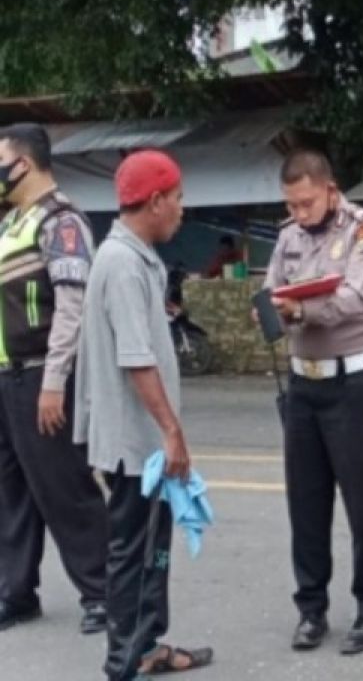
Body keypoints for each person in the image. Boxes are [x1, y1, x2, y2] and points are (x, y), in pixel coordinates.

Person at [74, 150, 213, 680]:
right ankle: (122, 663)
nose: (181, 209)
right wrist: (172, 432)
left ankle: (148, 645)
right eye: (177, 199)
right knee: (132, 552)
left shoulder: (135, 257)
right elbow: (137, 360)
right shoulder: (123, 264)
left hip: (143, 442)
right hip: (135, 443)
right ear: (154, 201)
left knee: (152, 546)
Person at [263, 150, 363, 655]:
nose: (299, 214)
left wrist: (298, 308)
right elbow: (271, 287)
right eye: (292, 205)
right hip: (303, 386)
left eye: (306, 203)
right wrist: (271, 310)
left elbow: (356, 299)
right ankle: (311, 610)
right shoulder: (287, 237)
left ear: (330, 189)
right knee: (306, 505)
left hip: (353, 384)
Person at [0, 124, 108, 635]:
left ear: (24, 163)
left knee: (64, 486)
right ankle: (16, 592)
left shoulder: (61, 223)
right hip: (6, 378)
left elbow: (73, 306)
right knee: (10, 493)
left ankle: (103, 592)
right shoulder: (10, 225)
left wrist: (54, 382)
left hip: (43, 374)